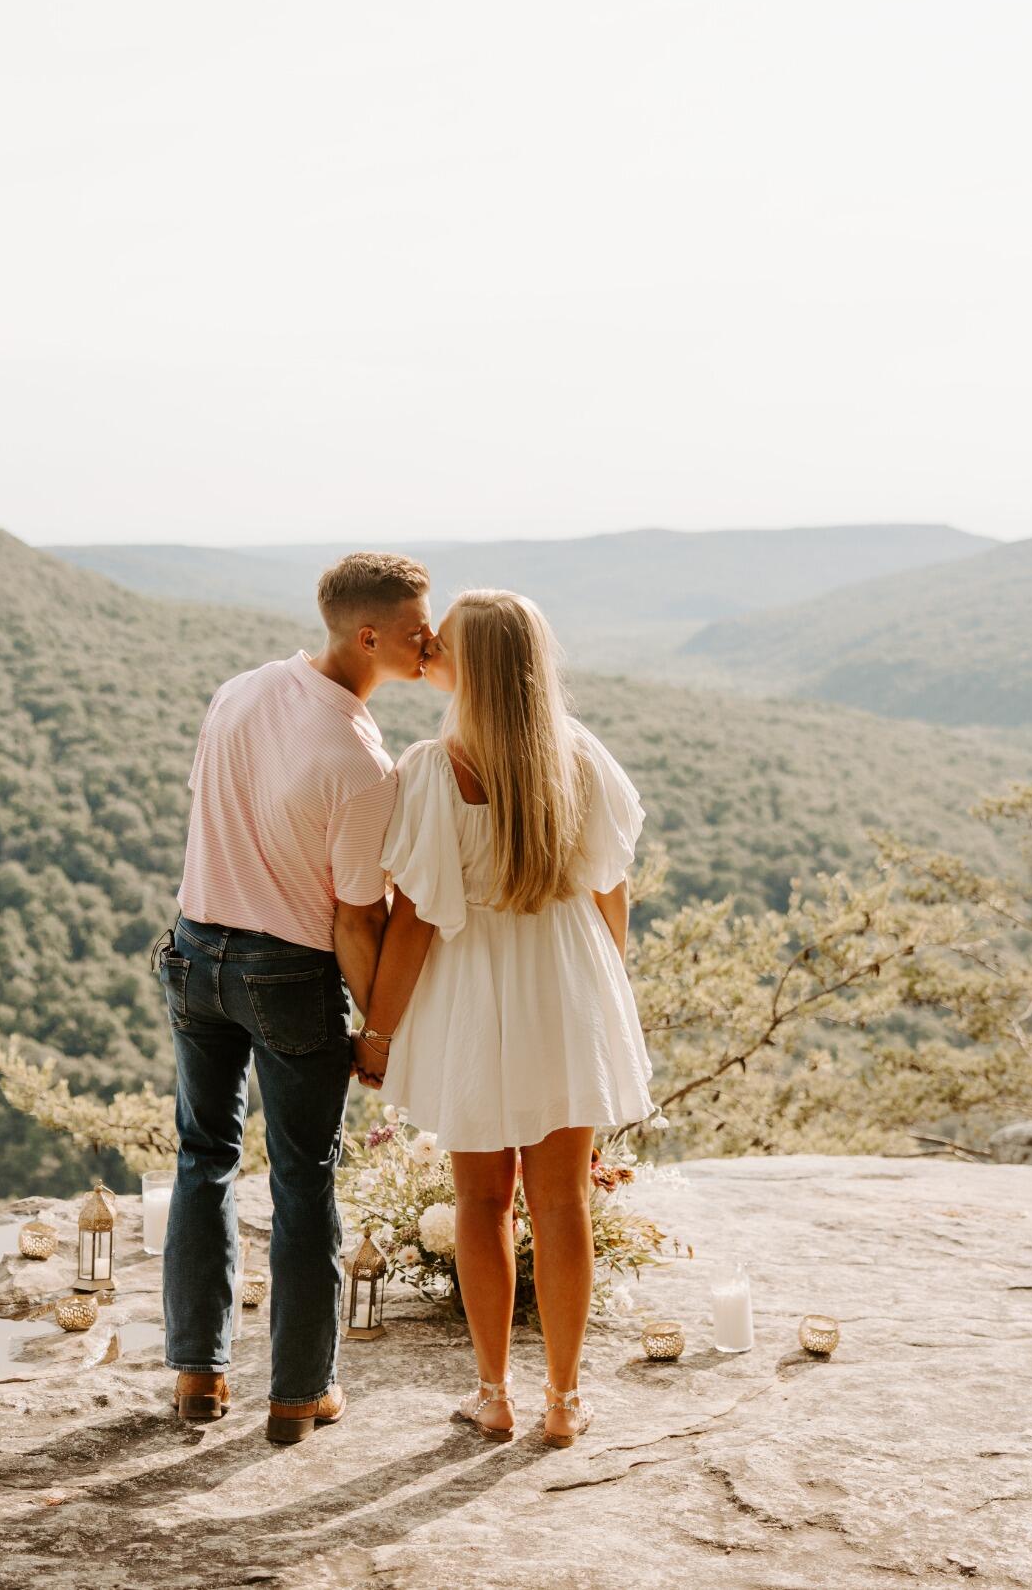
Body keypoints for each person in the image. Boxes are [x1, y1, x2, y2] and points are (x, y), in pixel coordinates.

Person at [351, 589, 653, 1449]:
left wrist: (377, 1033)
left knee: (481, 1201)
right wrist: (603, 998)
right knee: (563, 1205)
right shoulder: (582, 760)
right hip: (566, 981)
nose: (428, 645)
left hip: (474, 988)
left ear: (471, 666)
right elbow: (612, 894)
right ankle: (563, 1401)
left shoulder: (432, 770)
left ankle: (494, 1394)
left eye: (441, 640)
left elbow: (411, 922)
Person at [156, 551, 432, 1443]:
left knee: (204, 1158)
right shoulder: (360, 759)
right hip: (287, 969)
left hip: (197, 951)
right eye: (416, 626)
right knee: (305, 1178)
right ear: (368, 636)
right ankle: (299, 1393)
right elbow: (357, 921)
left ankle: (198, 1377)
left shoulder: (238, 689)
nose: (429, 639)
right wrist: (381, 1030)